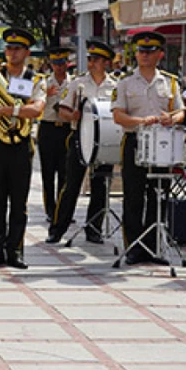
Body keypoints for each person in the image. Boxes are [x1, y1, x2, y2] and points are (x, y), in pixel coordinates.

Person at [0, 27, 46, 269]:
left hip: (21, 144)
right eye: (8, 48)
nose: (11, 53)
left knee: (18, 202)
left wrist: (7, 110)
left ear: (26, 52)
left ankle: (15, 251)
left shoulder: (34, 79)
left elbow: (36, 110)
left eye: (17, 49)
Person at [111, 31, 185, 265]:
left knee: (159, 195)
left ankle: (153, 247)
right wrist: (141, 121)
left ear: (160, 55)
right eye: (141, 52)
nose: (144, 55)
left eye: (150, 52)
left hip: (161, 143)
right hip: (135, 141)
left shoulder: (170, 82)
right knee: (133, 197)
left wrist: (171, 119)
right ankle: (133, 247)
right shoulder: (125, 83)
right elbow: (118, 116)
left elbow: (180, 111)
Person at [47, 39, 118, 244]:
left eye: (96, 59)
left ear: (106, 62)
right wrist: (73, 115)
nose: (91, 62)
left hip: (104, 139)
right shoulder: (77, 83)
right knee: (71, 186)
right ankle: (58, 228)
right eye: (90, 59)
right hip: (80, 137)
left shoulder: (115, 86)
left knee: (101, 187)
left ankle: (94, 228)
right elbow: (62, 109)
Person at [38, 47, 72, 222]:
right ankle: (50, 210)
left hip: (66, 129)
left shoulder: (74, 82)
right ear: (51, 64)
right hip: (48, 128)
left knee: (65, 173)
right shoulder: (43, 83)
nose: (59, 67)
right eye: (55, 63)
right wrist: (45, 94)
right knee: (48, 172)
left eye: (62, 63)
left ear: (67, 63)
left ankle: (63, 209)